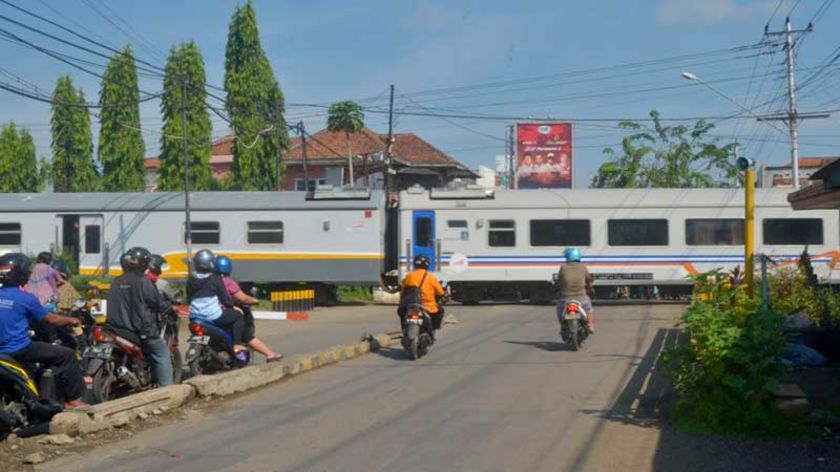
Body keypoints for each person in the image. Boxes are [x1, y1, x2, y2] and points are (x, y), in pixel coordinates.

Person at [0, 252, 86, 408]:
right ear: (21, 273)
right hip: (18, 349)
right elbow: (51, 319)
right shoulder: (25, 298)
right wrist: (71, 320)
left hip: (2, 352)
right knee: (67, 355)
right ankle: (73, 400)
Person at [106, 247, 173, 387]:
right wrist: (168, 305)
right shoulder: (143, 281)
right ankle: (167, 389)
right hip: (141, 330)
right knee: (162, 353)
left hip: (117, 329)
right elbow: (156, 303)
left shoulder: (116, 281)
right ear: (143, 264)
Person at [214, 255, 282, 361]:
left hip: (211, 314)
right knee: (247, 335)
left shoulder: (210, 281)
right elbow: (243, 299)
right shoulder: (228, 283)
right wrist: (256, 301)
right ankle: (269, 354)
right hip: (224, 314)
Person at [399, 255, 445, 336]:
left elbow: (403, 292)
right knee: (440, 311)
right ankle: (432, 330)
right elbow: (440, 293)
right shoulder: (431, 277)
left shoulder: (409, 276)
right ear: (427, 265)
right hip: (427, 307)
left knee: (401, 312)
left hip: (409, 305)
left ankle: (404, 329)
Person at [556, 247, 595, 334]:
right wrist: (590, 289)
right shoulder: (583, 267)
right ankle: (590, 325)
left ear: (567, 257)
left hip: (566, 298)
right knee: (589, 310)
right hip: (581, 297)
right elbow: (588, 280)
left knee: (559, 310)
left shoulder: (563, 267)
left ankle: (562, 326)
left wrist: (559, 290)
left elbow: (559, 281)